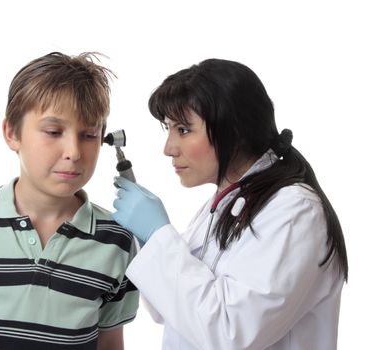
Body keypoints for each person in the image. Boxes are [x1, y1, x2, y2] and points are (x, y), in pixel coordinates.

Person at [112, 58, 348, 349]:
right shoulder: (223, 203)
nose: (169, 149)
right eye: (169, 130)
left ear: (233, 132)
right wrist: (148, 239)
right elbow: (170, 311)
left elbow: (230, 331)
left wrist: (159, 234)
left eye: (183, 130)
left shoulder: (295, 212)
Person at [0, 52, 139, 350]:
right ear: (11, 133)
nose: (73, 151)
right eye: (53, 131)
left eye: (88, 134)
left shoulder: (117, 239)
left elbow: (109, 343)